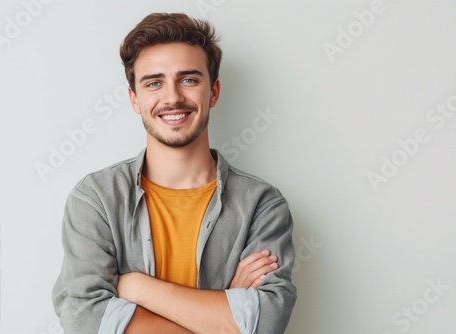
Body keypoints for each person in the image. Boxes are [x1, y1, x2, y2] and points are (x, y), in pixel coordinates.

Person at [52, 12, 296, 334]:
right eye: (154, 83)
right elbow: (82, 318)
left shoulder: (262, 206)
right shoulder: (95, 199)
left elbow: (265, 324)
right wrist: (224, 313)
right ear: (134, 99)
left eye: (189, 79)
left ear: (214, 92)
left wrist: (137, 287)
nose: (172, 97)